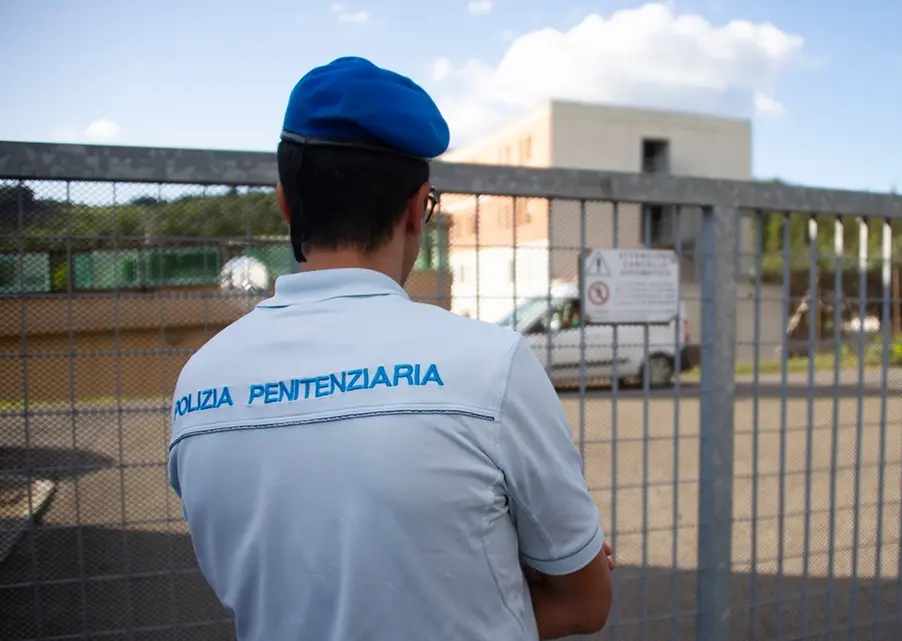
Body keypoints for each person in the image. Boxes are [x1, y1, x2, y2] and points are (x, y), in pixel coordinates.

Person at [167, 56, 613, 640]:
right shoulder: (489, 369)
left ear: (284, 202)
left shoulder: (198, 384)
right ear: (414, 207)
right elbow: (583, 605)